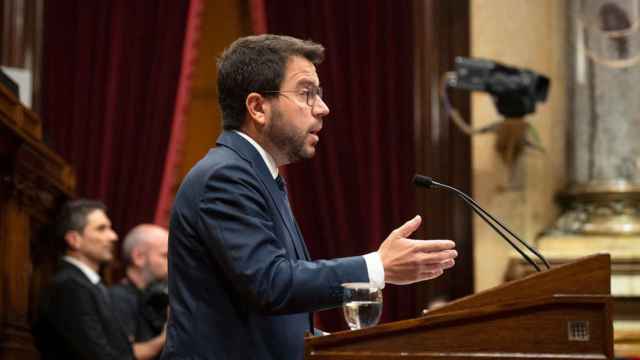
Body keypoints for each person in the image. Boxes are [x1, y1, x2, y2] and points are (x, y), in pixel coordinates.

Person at [161, 34, 458, 360]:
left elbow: (263, 310)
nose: (323, 108)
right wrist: (377, 266)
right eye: (307, 93)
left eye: (320, 94)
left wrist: (339, 344)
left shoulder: (259, 175)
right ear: (258, 107)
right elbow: (270, 285)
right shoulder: (225, 177)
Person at [34, 199, 134, 360]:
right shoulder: (70, 286)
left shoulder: (89, 284)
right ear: (74, 239)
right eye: (101, 229)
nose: (114, 236)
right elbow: (96, 355)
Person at [110, 224, 169, 358]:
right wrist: (166, 336)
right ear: (139, 257)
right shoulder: (119, 298)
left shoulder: (157, 297)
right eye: (165, 255)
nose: (171, 263)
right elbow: (122, 355)